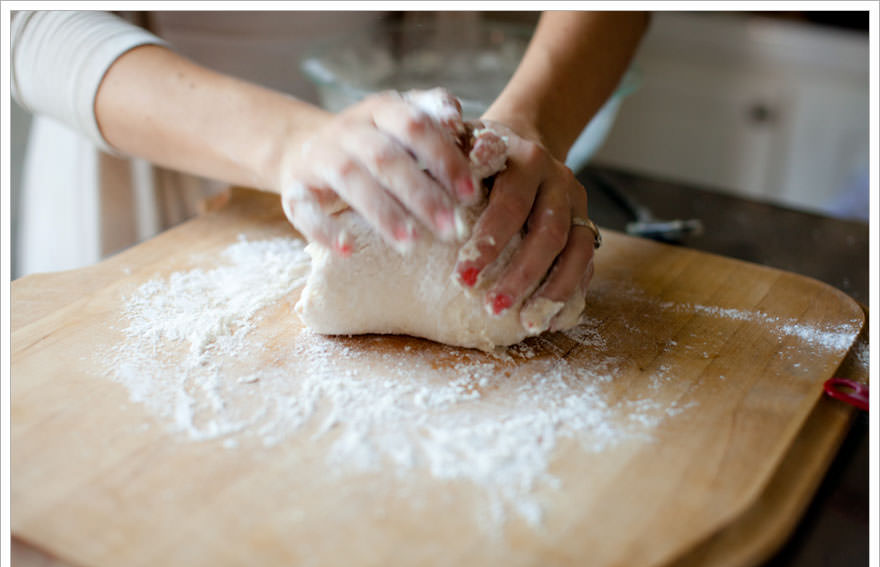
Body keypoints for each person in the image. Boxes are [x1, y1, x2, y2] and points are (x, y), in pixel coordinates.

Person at [12, 10, 649, 327]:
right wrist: (297, 143)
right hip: (145, 131)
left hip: (399, 139)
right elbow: (27, 21)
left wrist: (528, 124)